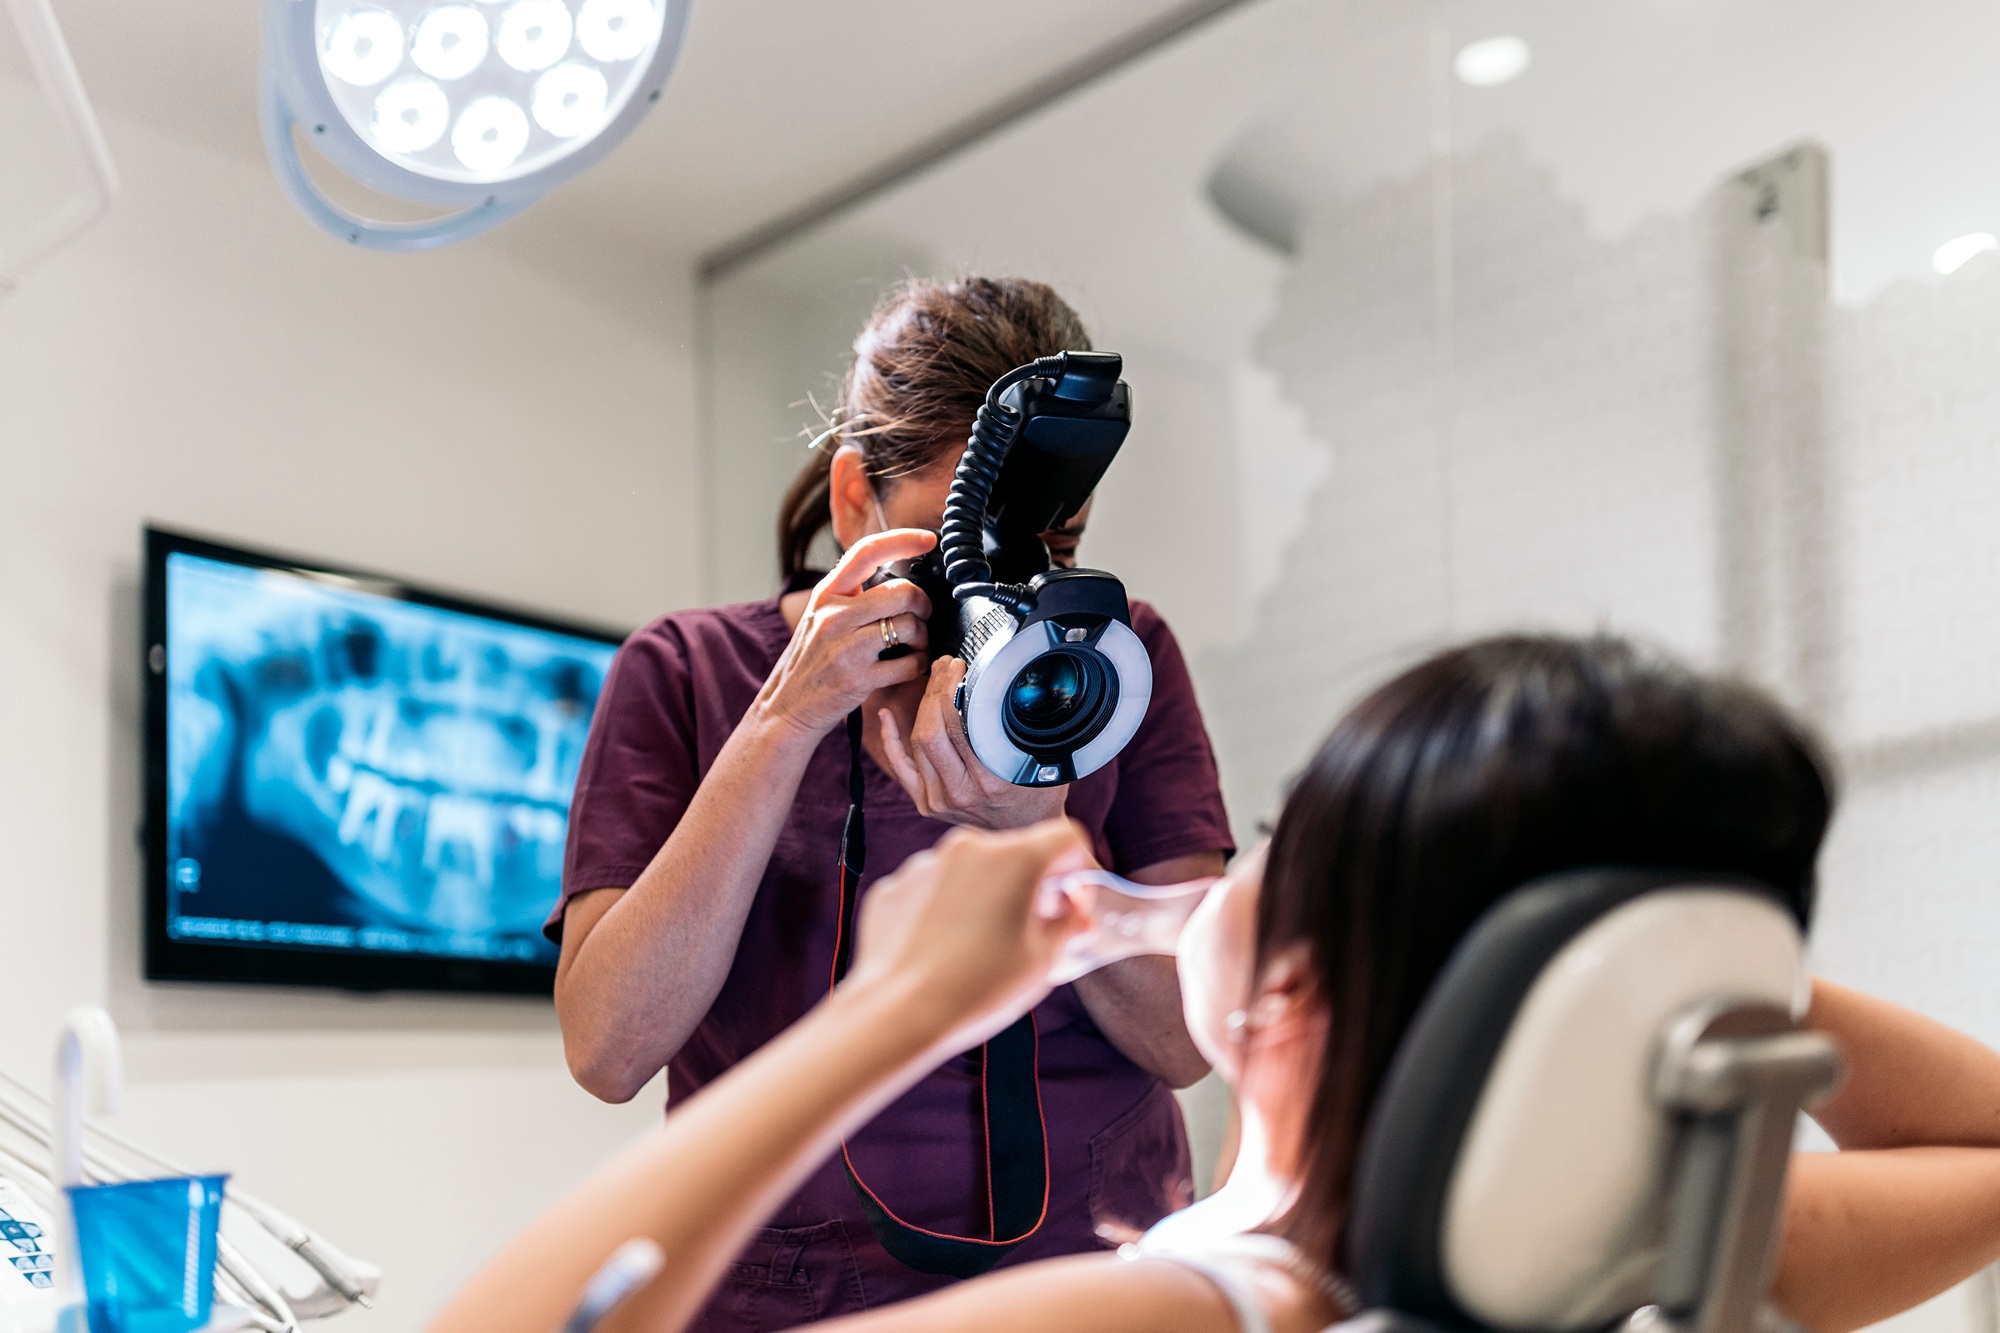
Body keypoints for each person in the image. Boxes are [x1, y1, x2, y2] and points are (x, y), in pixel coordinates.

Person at [440, 633, 2000, 1333]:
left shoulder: (1189, 1312)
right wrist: (1670, 972)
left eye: (1264, 840)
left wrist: (889, 1012)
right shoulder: (1659, 1241)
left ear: (1290, 992)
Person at [549, 277, 1233, 1325]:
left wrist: (1038, 839)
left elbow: (1193, 1040)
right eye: (964, 544)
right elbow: (607, 1048)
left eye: (1056, 548)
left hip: (1095, 1277)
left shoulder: (1111, 659)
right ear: (852, 498)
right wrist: (781, 724)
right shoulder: (687, 671)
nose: (1003, 585)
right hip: (780, 1294)